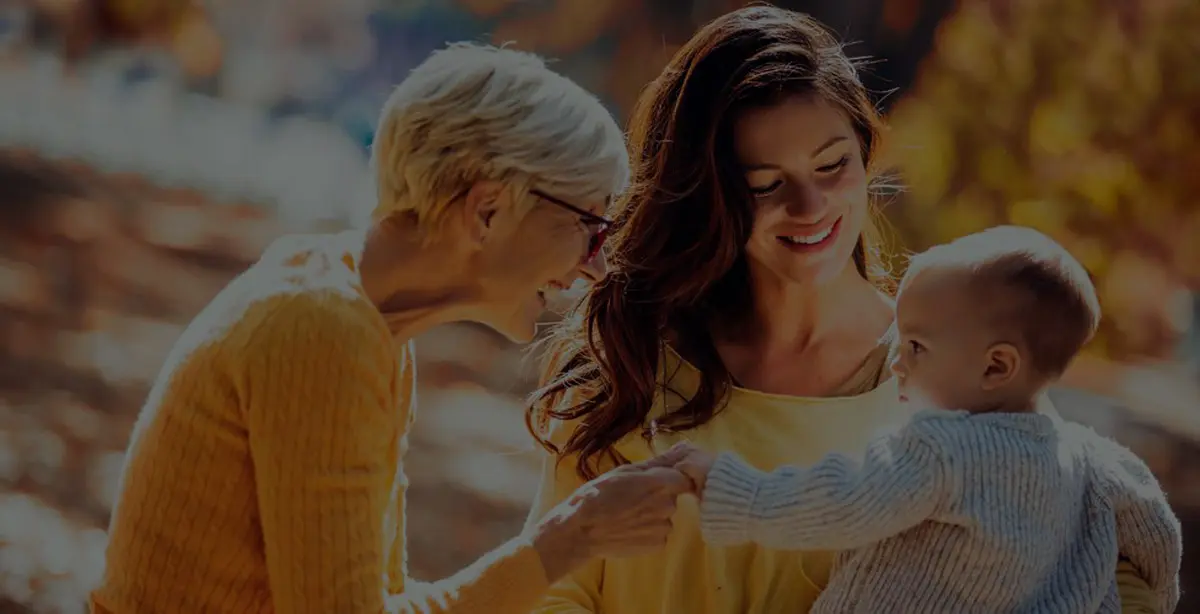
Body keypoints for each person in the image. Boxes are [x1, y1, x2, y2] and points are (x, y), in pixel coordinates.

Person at [524, 6, 1164, 613]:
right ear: (708, 196)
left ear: (865, 156)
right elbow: (552, 586)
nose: (810, 207)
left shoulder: (963, 373)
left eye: (833, 165)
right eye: (765, 185)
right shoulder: (634, 365)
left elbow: (1091, 565)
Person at [90, 43, 693, 614]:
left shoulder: (363, 317)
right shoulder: (320, 329)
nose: (597, 265)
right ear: (487, 210)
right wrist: (566, 541)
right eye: (591, 227)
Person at [664, 226, 1183, 613]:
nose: (896, 361)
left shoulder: (940, 451)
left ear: (996, 365)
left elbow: (842, 502)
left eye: (916, 345)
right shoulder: (1092, 458)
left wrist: (732, 488)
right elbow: (1159, 540)